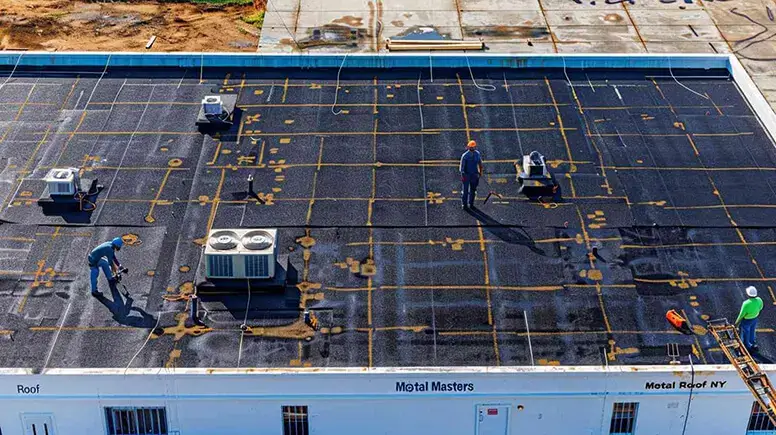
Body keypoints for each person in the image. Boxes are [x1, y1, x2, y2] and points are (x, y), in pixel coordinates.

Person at [735, 286, 764, 351]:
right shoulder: (759, 300)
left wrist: (736, 323)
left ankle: (747, 346)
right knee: (752, 330)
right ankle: (752, 343)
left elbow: (741, 315)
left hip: (746, 320)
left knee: (745, 332)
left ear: (748, 294)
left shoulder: (746, 303)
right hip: (755, 318)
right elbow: (761, 307)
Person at [460, 140, 483, 210]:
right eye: (471, 147)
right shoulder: (465, 156)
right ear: (468, 147)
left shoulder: (477, 154)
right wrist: (463, 176)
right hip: (466, 175)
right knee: (465, 190)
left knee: (473, 190)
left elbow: (480, 163)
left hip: (474, 175)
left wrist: (480, 172)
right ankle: (464, 204)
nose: (472, 148)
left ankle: (471, 203)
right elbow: (462, 167)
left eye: (473, 147)